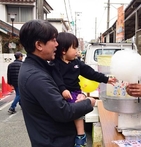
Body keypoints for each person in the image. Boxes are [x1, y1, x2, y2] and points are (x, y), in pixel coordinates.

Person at [18, 19, 96, 147]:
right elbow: (63, 112)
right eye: (53, 40)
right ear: (39, 45)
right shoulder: (36, 76)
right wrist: (89, 102)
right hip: (55, 142)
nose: (57, 44)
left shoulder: (41, 67)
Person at [51, 32, 116, 147]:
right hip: (62, 93)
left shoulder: (77, 63)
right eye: (74, 47)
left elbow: (91, 73)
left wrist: (106, 79)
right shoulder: (55, 64)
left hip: (75, 93)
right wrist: (62, 89)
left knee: (78, 108)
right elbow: (56, 78)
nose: (77, 51)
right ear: (63, 50)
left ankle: (81, 136)